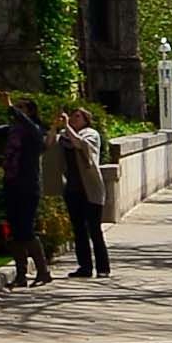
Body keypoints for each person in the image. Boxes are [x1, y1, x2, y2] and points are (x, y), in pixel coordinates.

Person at [60, 106, 115, 279]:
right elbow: (50, 145)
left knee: (94, 229)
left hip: (90, 189)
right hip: (72, 189)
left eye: (78, 116)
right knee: (79, 230)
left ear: (86, 120)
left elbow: (80, 145)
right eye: (72, 116)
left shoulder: (91, 134)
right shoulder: (63, 136)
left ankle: (103, 268)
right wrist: (56, 127)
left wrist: (67, 126)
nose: (74, 119)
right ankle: (84, 267)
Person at [1, 101, 50, 285]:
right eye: (18, 107)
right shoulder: (12, 130)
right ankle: (21, 274)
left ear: (30, 111)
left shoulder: (35, 131)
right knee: (14, 231)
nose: (18, 111)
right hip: (11, 183)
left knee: (26, 230)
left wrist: (10, 106)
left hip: (28, 186)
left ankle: (43, 271)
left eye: (23, 107)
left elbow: (27, 123)